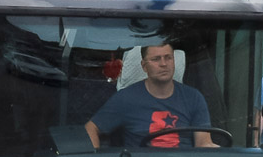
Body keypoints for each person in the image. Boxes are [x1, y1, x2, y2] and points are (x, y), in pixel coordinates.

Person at [86, 43, 218, 149]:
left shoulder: (193, 98)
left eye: (168, 58)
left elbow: (203, 143)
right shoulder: (126, 98)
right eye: (156, 59)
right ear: (144, 66)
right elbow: (91, 128)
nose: (163, 64)